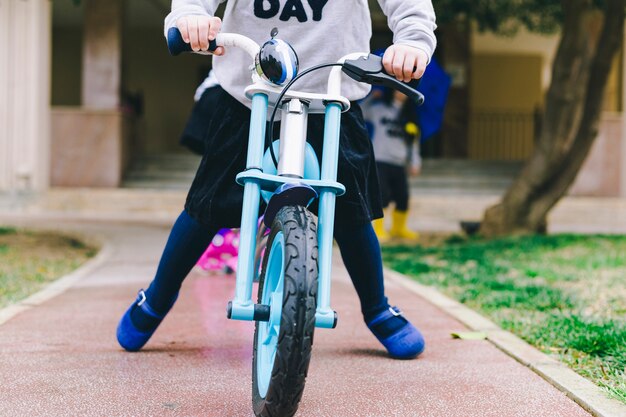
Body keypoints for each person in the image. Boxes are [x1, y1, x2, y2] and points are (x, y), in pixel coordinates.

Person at [116, 0, 437, 360]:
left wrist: (412, 41)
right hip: (249, 97)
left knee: (352, 214)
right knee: (205, 207)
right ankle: (158, 297)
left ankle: (377, 308)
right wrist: (190, 16)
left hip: (332, 97)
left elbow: (409, 6)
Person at [364, 88, 422, 242]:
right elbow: (361, 112)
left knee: (403, 196)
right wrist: (370, 97)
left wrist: (415, 162)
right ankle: (379, 229)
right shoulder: (379, 109)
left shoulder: (411, 116)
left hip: (399, 162)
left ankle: (399, 228)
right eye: (398, 89)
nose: (401, 93)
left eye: (405, 91)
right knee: (382, 195)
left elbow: (414, 144)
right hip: (380, 160)